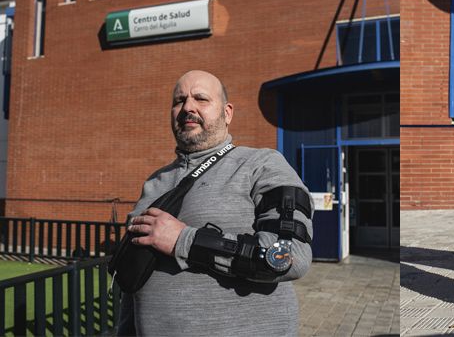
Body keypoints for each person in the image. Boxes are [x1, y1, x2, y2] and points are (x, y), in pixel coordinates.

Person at [117, 70, 313, 336]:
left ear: (227, 113)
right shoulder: (155, 183)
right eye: (179, 100)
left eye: (201, 98)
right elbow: (134, 281)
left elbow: (288, 256)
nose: (188, 107)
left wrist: (184, 240)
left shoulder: (263, 165)